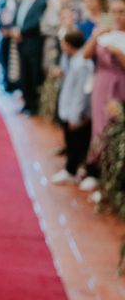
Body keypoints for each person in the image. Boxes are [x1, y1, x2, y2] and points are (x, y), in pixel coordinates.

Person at [82, 0, 125, 192]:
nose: (117, 16)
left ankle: (113, 176)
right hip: (101, 84)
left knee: (114, 127)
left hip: (120, 85)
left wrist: (118, 52)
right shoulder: (104, 32)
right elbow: (86, 54)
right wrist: (96, 35)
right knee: (98, 127)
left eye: (121, 12)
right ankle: (95, 171)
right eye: (114, 11)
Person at [50, 30, 94, 185]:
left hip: (77, 112)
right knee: (71, 141)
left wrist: (76, 115)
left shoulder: (82, 63)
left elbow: (82, 92)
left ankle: (73, 171)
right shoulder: (73, 59)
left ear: (68, 45)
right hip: (70, 109)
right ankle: (71, 169)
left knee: (77, 143)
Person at [11, 0, 47, 115]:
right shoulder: (22, 1)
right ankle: (26, 103)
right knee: (24, 73)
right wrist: (15, 29)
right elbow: (17, 18)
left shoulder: (41, 2)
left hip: (32, 42)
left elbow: (36, 22)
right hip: (21, 42)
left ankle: (34, 105)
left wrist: (21, 32)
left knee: (34, 73)